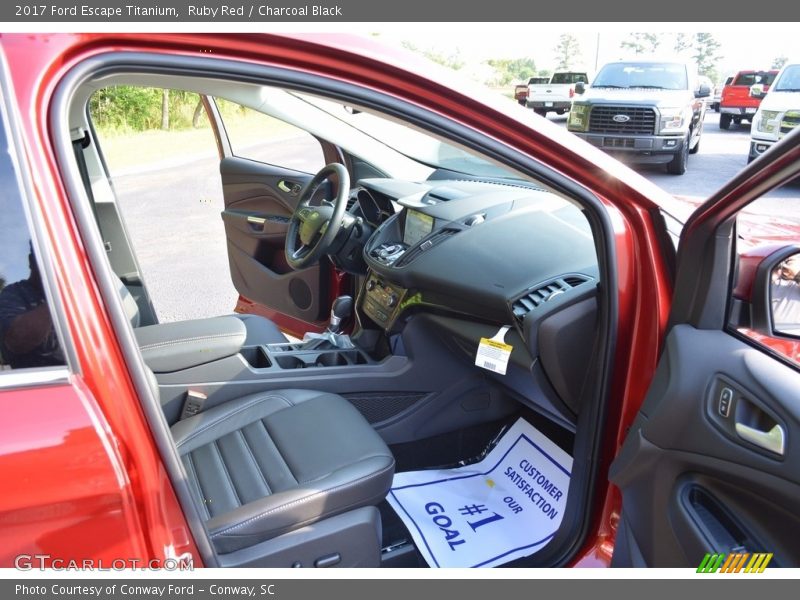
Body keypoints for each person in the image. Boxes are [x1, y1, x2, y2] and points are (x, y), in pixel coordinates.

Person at [0, 247, 64, 368]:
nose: (53, 265)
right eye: (45, 258)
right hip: (45, 380)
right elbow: (16, 341)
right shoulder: (14, 293)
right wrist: (58, 295)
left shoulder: (82, 294)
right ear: (31, 260)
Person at [771, 253, 800, 333]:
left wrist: (797, 274)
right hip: (763, 335)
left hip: (789, 337)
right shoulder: (775, 276)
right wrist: (772, 271)